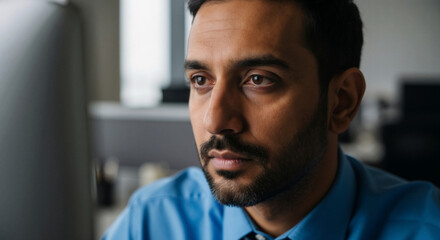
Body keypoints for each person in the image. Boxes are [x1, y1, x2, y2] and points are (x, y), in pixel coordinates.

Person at [103, 0, 440, 239]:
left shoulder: (427, 228)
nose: (215, 120)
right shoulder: (153, 221)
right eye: (201, 80)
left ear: (342, 102)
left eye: (258, 79)